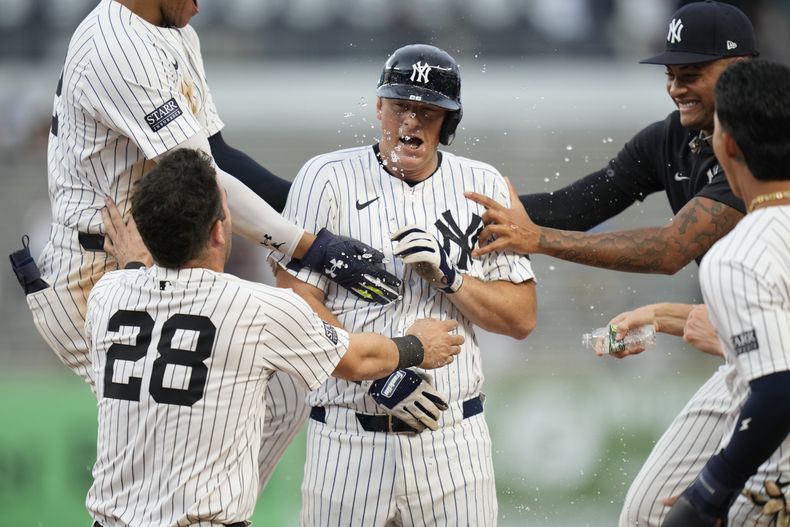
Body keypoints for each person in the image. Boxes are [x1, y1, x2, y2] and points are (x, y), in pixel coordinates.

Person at [9, 0, 401, 492]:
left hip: (148, 259)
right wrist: (310, 244)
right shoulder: (116, 46)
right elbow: (206, 178)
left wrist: (316, 214)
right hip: (91, 274)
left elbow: (219, 154)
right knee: (172, 436)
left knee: (272, 400)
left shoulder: (172, 30)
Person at [465, 2, 759, 525]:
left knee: (746, 510)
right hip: (749, 357)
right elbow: (581, 203)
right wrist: (454, 214)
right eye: (670, 74)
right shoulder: (674, 137)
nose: (676, 87)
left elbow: (672, 249)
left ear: (739, 72)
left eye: (692, 74)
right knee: (648, 512)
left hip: (776, 360)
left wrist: (539, 241)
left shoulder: (765, 144)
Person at [83, 147, 462, 527]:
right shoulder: (259, 308)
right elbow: (357, 361)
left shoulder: (108, 294)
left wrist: (134, 262)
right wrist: (416, 346)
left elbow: (138, 280)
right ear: (218, 230)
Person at [272, 44, 537, 525]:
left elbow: (521, 317)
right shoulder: (325, 176)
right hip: (347, 440)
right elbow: (295, 300)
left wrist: (450, 278)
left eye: (427, 111)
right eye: (400, 107)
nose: (410, 124)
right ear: (378, 108)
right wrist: (383, 370)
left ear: (449, 121)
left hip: (451, 438)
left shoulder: (482, 184)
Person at [661, 58, 790, 526]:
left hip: (775, 484)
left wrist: (711, 490)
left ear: (727, 143)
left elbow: (779, 390)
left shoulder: (738, 253)